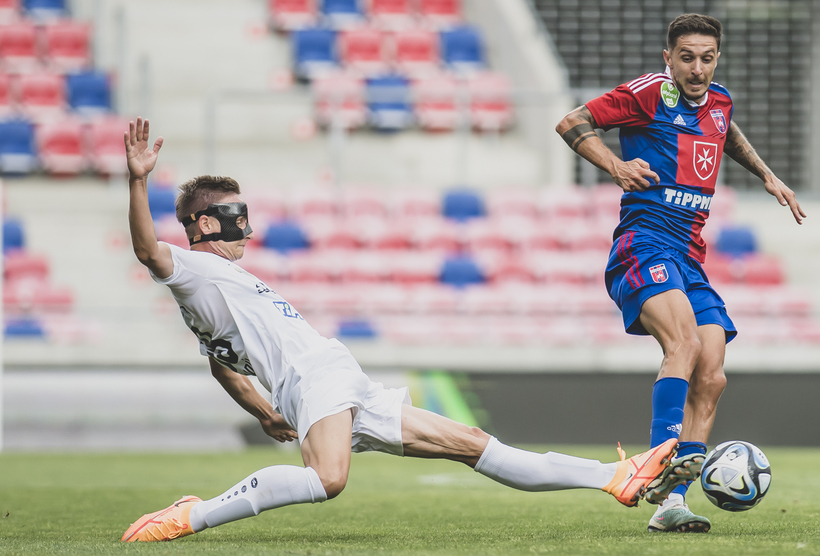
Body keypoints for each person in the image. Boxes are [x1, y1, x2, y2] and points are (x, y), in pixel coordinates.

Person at [119, 118, 702, 542]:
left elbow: (221, 364)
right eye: (235, 216)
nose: (245, 227)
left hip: (334, 377)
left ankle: (615, 477)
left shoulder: (215, 287)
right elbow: (148, 251)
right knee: (327, 480)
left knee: (474, 444)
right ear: (203, 224)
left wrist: (265, 413)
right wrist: (138, 182)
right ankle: (192, 515)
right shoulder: (192, 269)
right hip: (313, 379)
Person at [555, 14, 806, 534]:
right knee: (685, 345)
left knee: (712, 373)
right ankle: (652, 465)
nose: (697, 68)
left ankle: (670, 502)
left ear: (717, 59)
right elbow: (572, 122)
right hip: (644, 243)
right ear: (668, 58)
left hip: (689, 257)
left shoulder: (719, 101)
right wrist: (616, 166)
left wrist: (767, 175)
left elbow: (724, 130)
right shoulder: (648, 92)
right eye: (686, 57)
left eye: (706, 58)